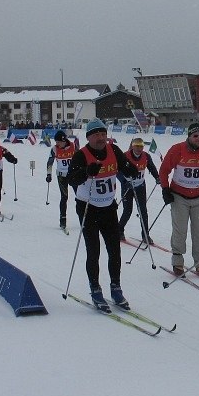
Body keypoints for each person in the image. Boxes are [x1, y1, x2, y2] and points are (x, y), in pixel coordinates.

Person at [67, 119, 139, 311]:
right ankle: (95, 289)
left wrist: (130, 169)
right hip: (88, 208)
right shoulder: (81, 155)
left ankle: (116, 288)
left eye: (103, 134)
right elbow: (71, 179)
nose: (100, 138)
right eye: (96, 135)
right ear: (88, 137)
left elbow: (124, 165)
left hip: (108, 207)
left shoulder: (113, 150)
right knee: (94, 250)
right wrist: (86, 172)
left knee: (114, 249)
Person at [159, 122, 199, 277]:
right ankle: (177, 262)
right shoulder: (177, 149)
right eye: (195, 136)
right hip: (179, 196)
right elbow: (164, 170)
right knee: (180, 230)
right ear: (189, 136)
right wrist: (165, 189)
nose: (198, 138)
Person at [118, 137, 160, 242]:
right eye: (136, 146)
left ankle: (145, 235)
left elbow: (151, 167)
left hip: (140, 186)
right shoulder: (125, 156)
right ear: (132, 146)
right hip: (128, 187)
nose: (139, 149)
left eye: (141, 146)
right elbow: (117, 171)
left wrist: (157, 177)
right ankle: (119, 230)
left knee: (143, 211)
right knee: (127, 211)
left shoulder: (146, 156)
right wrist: (124, 182)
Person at [46, 130, 76, 230]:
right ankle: (63, 220)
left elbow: (81, 158)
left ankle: (84, 217)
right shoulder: (54, 149)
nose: (57, 144)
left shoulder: (73, 146)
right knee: (64, 197)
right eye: (56, 142)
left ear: (64, 140)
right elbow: (50, 162)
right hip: (61, 176)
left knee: (80, 196)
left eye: (58, 142)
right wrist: (49, 174)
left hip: (73, 175)